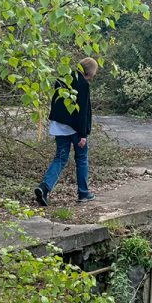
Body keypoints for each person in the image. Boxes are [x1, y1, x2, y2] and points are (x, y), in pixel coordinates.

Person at [34, 58, 98, 206]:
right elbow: (82, 112)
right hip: (76, 128)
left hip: (59, 126)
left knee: (60, 158)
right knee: (81, 158)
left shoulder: (63, 78)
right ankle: (83, 192)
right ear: (90, 72)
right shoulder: (83, 84)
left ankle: (44, 188)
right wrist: (83, 134)